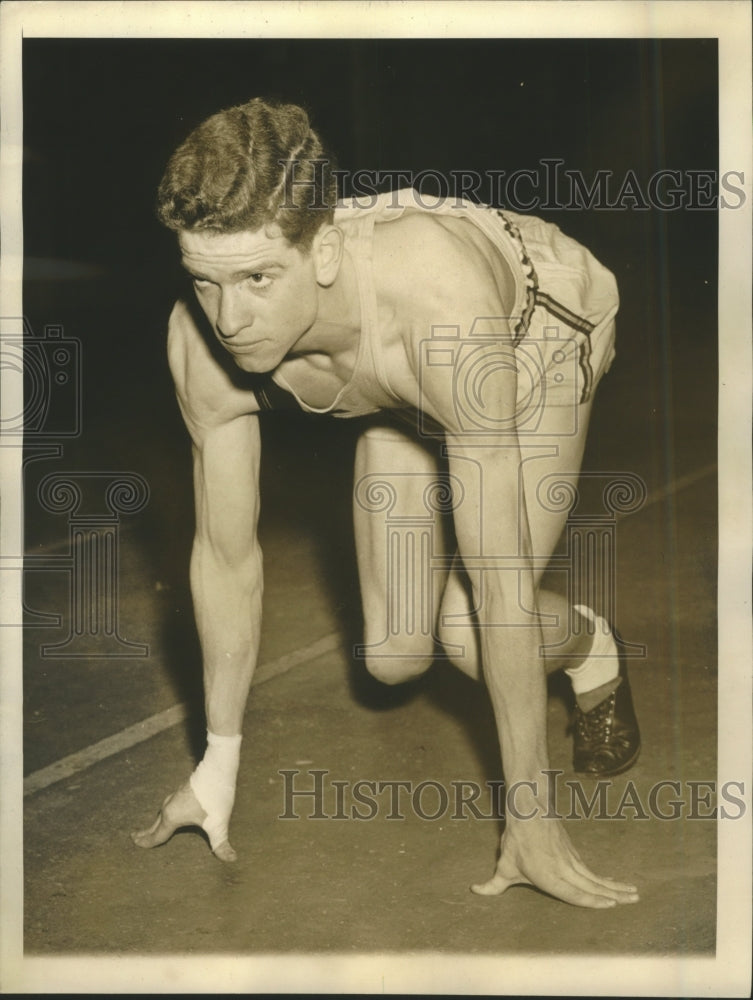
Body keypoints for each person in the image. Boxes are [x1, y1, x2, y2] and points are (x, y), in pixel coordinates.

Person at [132, 97, 640, 909]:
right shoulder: (198, 343)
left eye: (258, 278)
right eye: (205, 281)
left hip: (532, 327)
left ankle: (588, 648)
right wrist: (214, 770)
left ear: (322, 251)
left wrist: (531, 816)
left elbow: (500, 581)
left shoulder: (441, 309)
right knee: (396, 654)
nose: (230, 319)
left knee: (468, 631)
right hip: (394, 371)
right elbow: (226, 557)